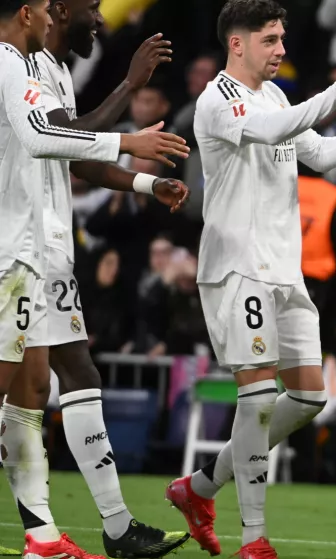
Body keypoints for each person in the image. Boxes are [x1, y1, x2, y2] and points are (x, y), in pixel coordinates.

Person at [161, 2, 336, 558]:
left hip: (284, 269)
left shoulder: (275, 96)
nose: (281, 49)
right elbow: (275, 129)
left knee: (306, 397)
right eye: (271, 40)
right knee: (255, 400)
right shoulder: (218, 100)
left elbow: (322, 155)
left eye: (282, 39)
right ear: (238, 44)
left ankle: (200, 487)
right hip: (237, 267)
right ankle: (254, 539)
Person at [0, 1, 190, 558]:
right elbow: (49, 137)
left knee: (38, 387)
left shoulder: (49, 70)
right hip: (12, 249)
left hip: (44, 249)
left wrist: (140, 184)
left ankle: (51, 537)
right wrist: (129, 105)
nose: (101, 19)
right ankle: (93, 530)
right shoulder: (9, 64)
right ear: (44, 11)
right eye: (92, 7)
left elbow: (72, 156)